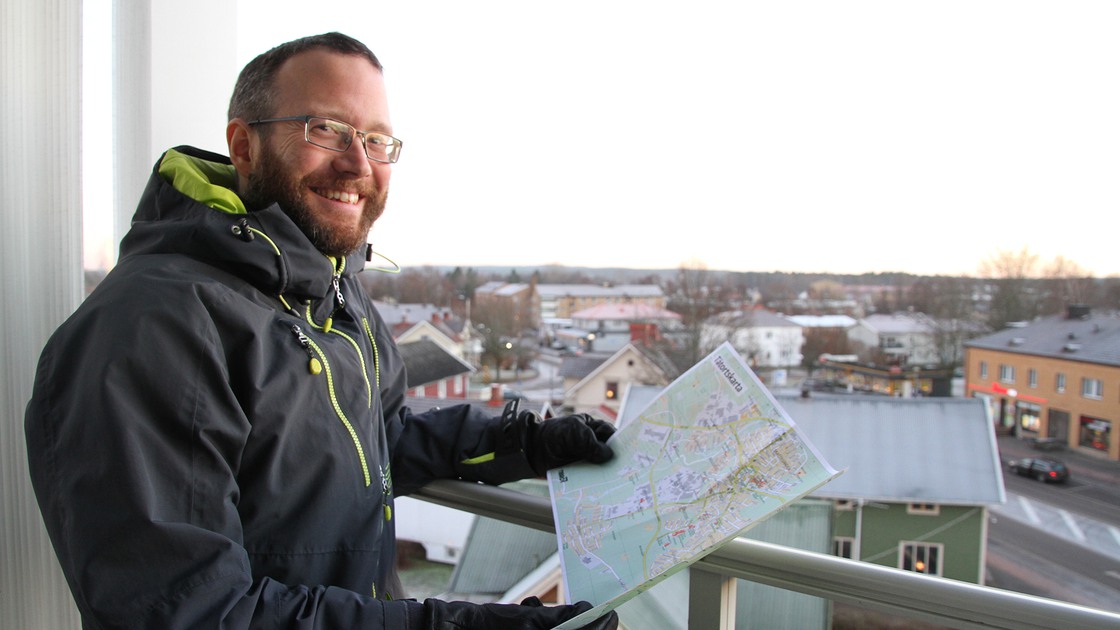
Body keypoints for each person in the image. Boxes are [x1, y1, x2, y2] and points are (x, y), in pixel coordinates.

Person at [25, 32, 618, 630]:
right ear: (244, 146)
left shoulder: (330, 290)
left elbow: (371, 445)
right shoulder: (153, 328)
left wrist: (524, 444)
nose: (358, 164)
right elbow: (194, 612)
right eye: (327, 129)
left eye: (377, 140)